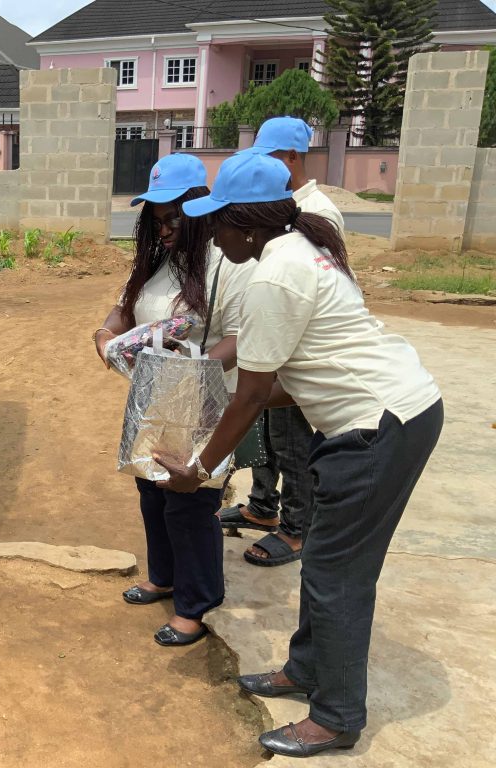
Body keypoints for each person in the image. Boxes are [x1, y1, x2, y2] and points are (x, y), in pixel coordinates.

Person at [158, 151, 443, 756]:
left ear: (247, 225)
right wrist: (227, 404)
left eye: (219, 223)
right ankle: (307, 669)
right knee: (328, 566)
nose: (213, 234)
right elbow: (289, 383)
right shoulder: (296, 251)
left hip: (375, 428)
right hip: (395, 411)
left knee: (337, 574)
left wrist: (201, 469)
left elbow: (257, 394)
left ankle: (337, 715)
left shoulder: (273, 275)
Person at [93, 154, 255, 646]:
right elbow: (123, 313)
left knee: (189, 501)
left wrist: (195, 366)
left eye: (172, 218)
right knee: (152, 492)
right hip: (153, 399)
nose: (163, 229)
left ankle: (195, 602)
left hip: (202, 403)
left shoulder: (225, 264)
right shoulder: (157, 263)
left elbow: (245, 335)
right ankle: (162, 576)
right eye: (156, 220)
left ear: (199, 209)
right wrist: (105, 338)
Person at [219, 116, 345, 567]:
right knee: (268, 434)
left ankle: (297, 528)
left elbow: (299, 294)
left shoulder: (314, 213)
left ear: (291, 157)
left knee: (291, 441)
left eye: (269, 160)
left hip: (293, 349)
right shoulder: (278, 210)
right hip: (271, 338)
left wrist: (198, 469)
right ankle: (262, 507)